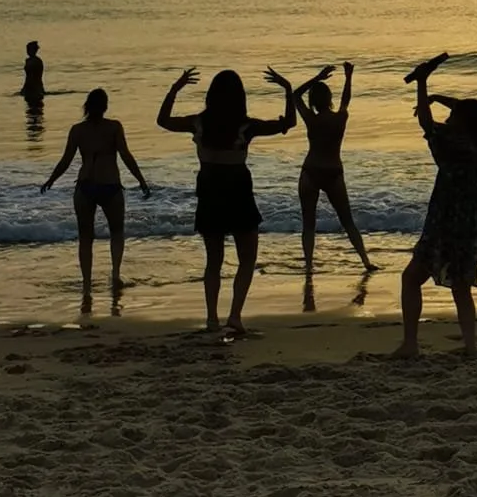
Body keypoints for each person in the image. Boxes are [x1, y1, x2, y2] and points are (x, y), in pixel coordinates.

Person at [157, 66, 294, 336]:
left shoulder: (199, 124)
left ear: (211, 96)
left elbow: (163, 120)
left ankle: (212, 318)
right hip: (238, 191)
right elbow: (288, 124)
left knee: (214, 261)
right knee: (247, 257)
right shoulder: (246, 127)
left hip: (209, 191)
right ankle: (234, 316)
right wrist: (287, 89)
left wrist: (175, 88)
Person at [397, 54, 477, 358]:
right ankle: (471, 346)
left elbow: (425, 122)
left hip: (446, 221)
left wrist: (423, 83)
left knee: (411, 278)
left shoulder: (450, 141)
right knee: (461, 286)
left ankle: (410, 344)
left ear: (459, 122)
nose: (449, 118)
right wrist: (438, 98)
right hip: (474, 223)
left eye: (453, 116)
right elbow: (468, 111)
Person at [40, 89, 150, 310]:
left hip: (85, 186)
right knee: (116, 232)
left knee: (85, 238)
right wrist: (141, 180)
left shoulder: (78, 130)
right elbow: (126, 156)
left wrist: (51, 180)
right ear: (105, 106)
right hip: (110, 186)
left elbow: (66, 160)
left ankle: (87, 284)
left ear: (87, 106)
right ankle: (115, 275)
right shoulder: (114, 127)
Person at [294, 63, 376, 289]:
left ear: (313, 101)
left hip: (311, 171)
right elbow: (346, 100)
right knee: (347, 221)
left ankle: (309, 266)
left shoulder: (311, 119)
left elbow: (295, 95)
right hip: (333, 172)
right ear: (330, 98)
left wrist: (317, 77)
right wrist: (349, 76)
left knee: (308, 224)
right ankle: (365, 261)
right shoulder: (340, 118)